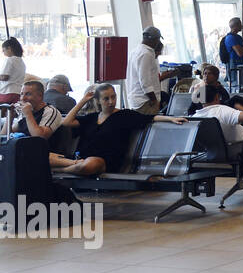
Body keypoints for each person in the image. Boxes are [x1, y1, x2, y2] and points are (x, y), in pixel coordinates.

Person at [50, 84, 186, 177]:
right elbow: (66, 122)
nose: (111, 101)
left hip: (104, 161)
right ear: (98, 101)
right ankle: (72, 166)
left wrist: (170, 119)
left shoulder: (124, 115)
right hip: (79, 160)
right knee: (45, 156)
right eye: (106, 99)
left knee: (89, 165)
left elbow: (150, 117)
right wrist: (82, 101)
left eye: (113, 97)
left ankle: (58, 170)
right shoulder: (91, 118)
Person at [125, 25, 164, 114]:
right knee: (148, 127)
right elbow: (145, 81)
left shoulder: (135, 51)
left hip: (137, 100)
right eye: (158, 39)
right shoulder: (146, 54)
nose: (158, 42)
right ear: (155, 39)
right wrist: (154, 100)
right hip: (145, 102)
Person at [222, 18, 243, 88]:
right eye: (240, 24)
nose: (242, 26)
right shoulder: (230, 38)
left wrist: (241, 48)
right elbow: (240, 53)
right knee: (236, 85)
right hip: (234, 64)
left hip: (241, 63)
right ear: (236, 26)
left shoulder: (238, 37)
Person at [0, 37, 26, 104]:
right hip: (18, 93)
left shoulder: (9, 60)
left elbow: (4, 77)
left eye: (4, 50)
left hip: (7, 92)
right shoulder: (21, 62)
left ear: (9, 48)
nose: (3, 53)